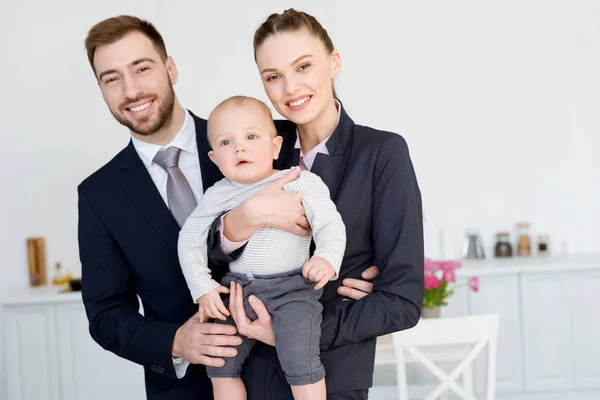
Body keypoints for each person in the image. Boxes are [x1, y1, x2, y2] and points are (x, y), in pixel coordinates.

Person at [77, 15, 377, 400]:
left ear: (170, 68)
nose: (131, 89)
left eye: (142, 68)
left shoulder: (257, 135)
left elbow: (332, 208)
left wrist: (356, 271)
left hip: (281, 377)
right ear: (101, 88)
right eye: (112, 78)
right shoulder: (98, 194)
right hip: (182, 391)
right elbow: (104, 315)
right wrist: (175, 342)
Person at [218, 9, 425, 400]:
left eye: (303, 66)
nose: (290, 87)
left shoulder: (382, 153)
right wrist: (241, 221)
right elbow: (211, 252)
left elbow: (402, 301)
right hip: (249, 374)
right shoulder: (255, 144)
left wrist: (291, 330)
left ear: (333, 63)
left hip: (335, 378)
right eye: (273, 76)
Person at [178, 95, 346, 400]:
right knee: (219, 362)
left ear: (275, 147)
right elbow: (189, 240)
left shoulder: (299, 181)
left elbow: (329, 223)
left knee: (301, 362)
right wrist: (202, 286)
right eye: (226, 142)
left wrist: (326, 257)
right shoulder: (218, 194)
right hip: (239, 291)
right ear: (215, 158)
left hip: (293, 289)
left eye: (251, 137)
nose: (239, 147)